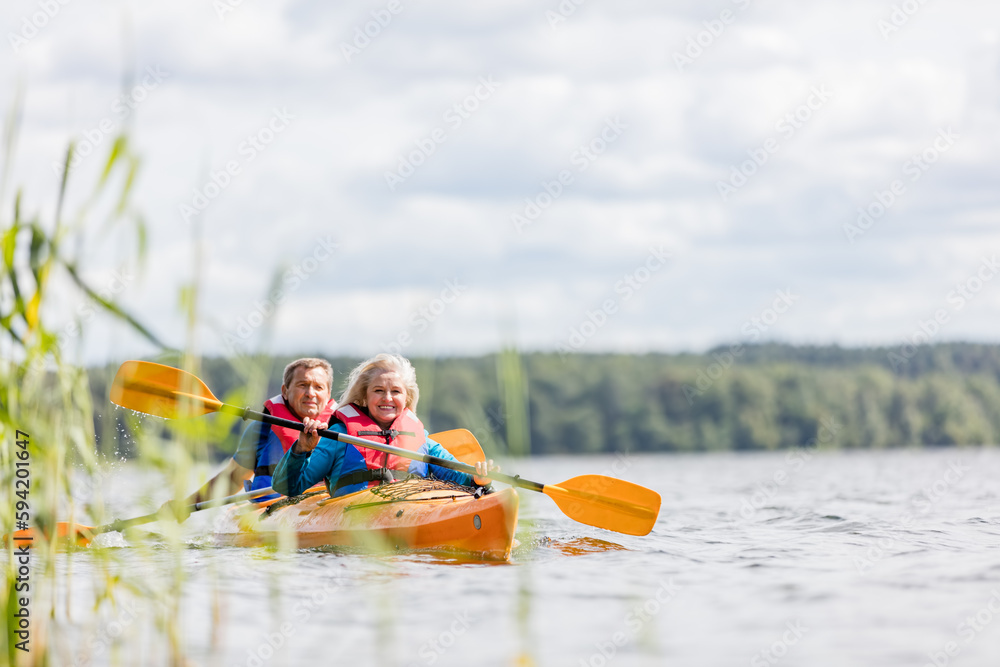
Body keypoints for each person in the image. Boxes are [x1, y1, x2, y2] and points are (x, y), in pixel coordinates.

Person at [273, 353, 496, 498]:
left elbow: (461, 479)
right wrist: (302, 449)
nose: (387, 398)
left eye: (396, 391)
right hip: (355, 514)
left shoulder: (422, 440)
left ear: (406, 398)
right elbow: (288, 487)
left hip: (413, 508)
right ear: (364, 397)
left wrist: (479, 479)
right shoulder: (339, 436)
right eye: (378, 391)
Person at [163, 357, 336, 518]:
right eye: (302, 385)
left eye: (318, 387)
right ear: (285, 391)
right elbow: (233, 478)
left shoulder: (340, 430)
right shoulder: (262, 428)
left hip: (325, 506)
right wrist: (186, 505)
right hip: (271, 509)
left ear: (328, 395)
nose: (310, 393)